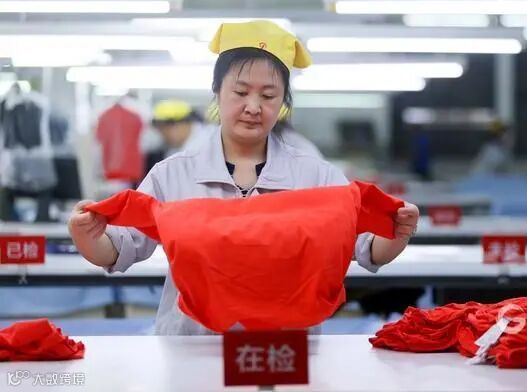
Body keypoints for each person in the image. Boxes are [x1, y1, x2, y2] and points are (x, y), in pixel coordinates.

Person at [67, 20, 419, 335]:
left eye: (268, 96)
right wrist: (87, 237)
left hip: (284, 352)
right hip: (192, 347)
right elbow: (121, 248)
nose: (253, 107)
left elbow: (366, 248)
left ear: (282, 102)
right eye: (240, 92)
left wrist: (396, 234)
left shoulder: (315, 174)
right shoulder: (173, 174)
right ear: (217, 91)